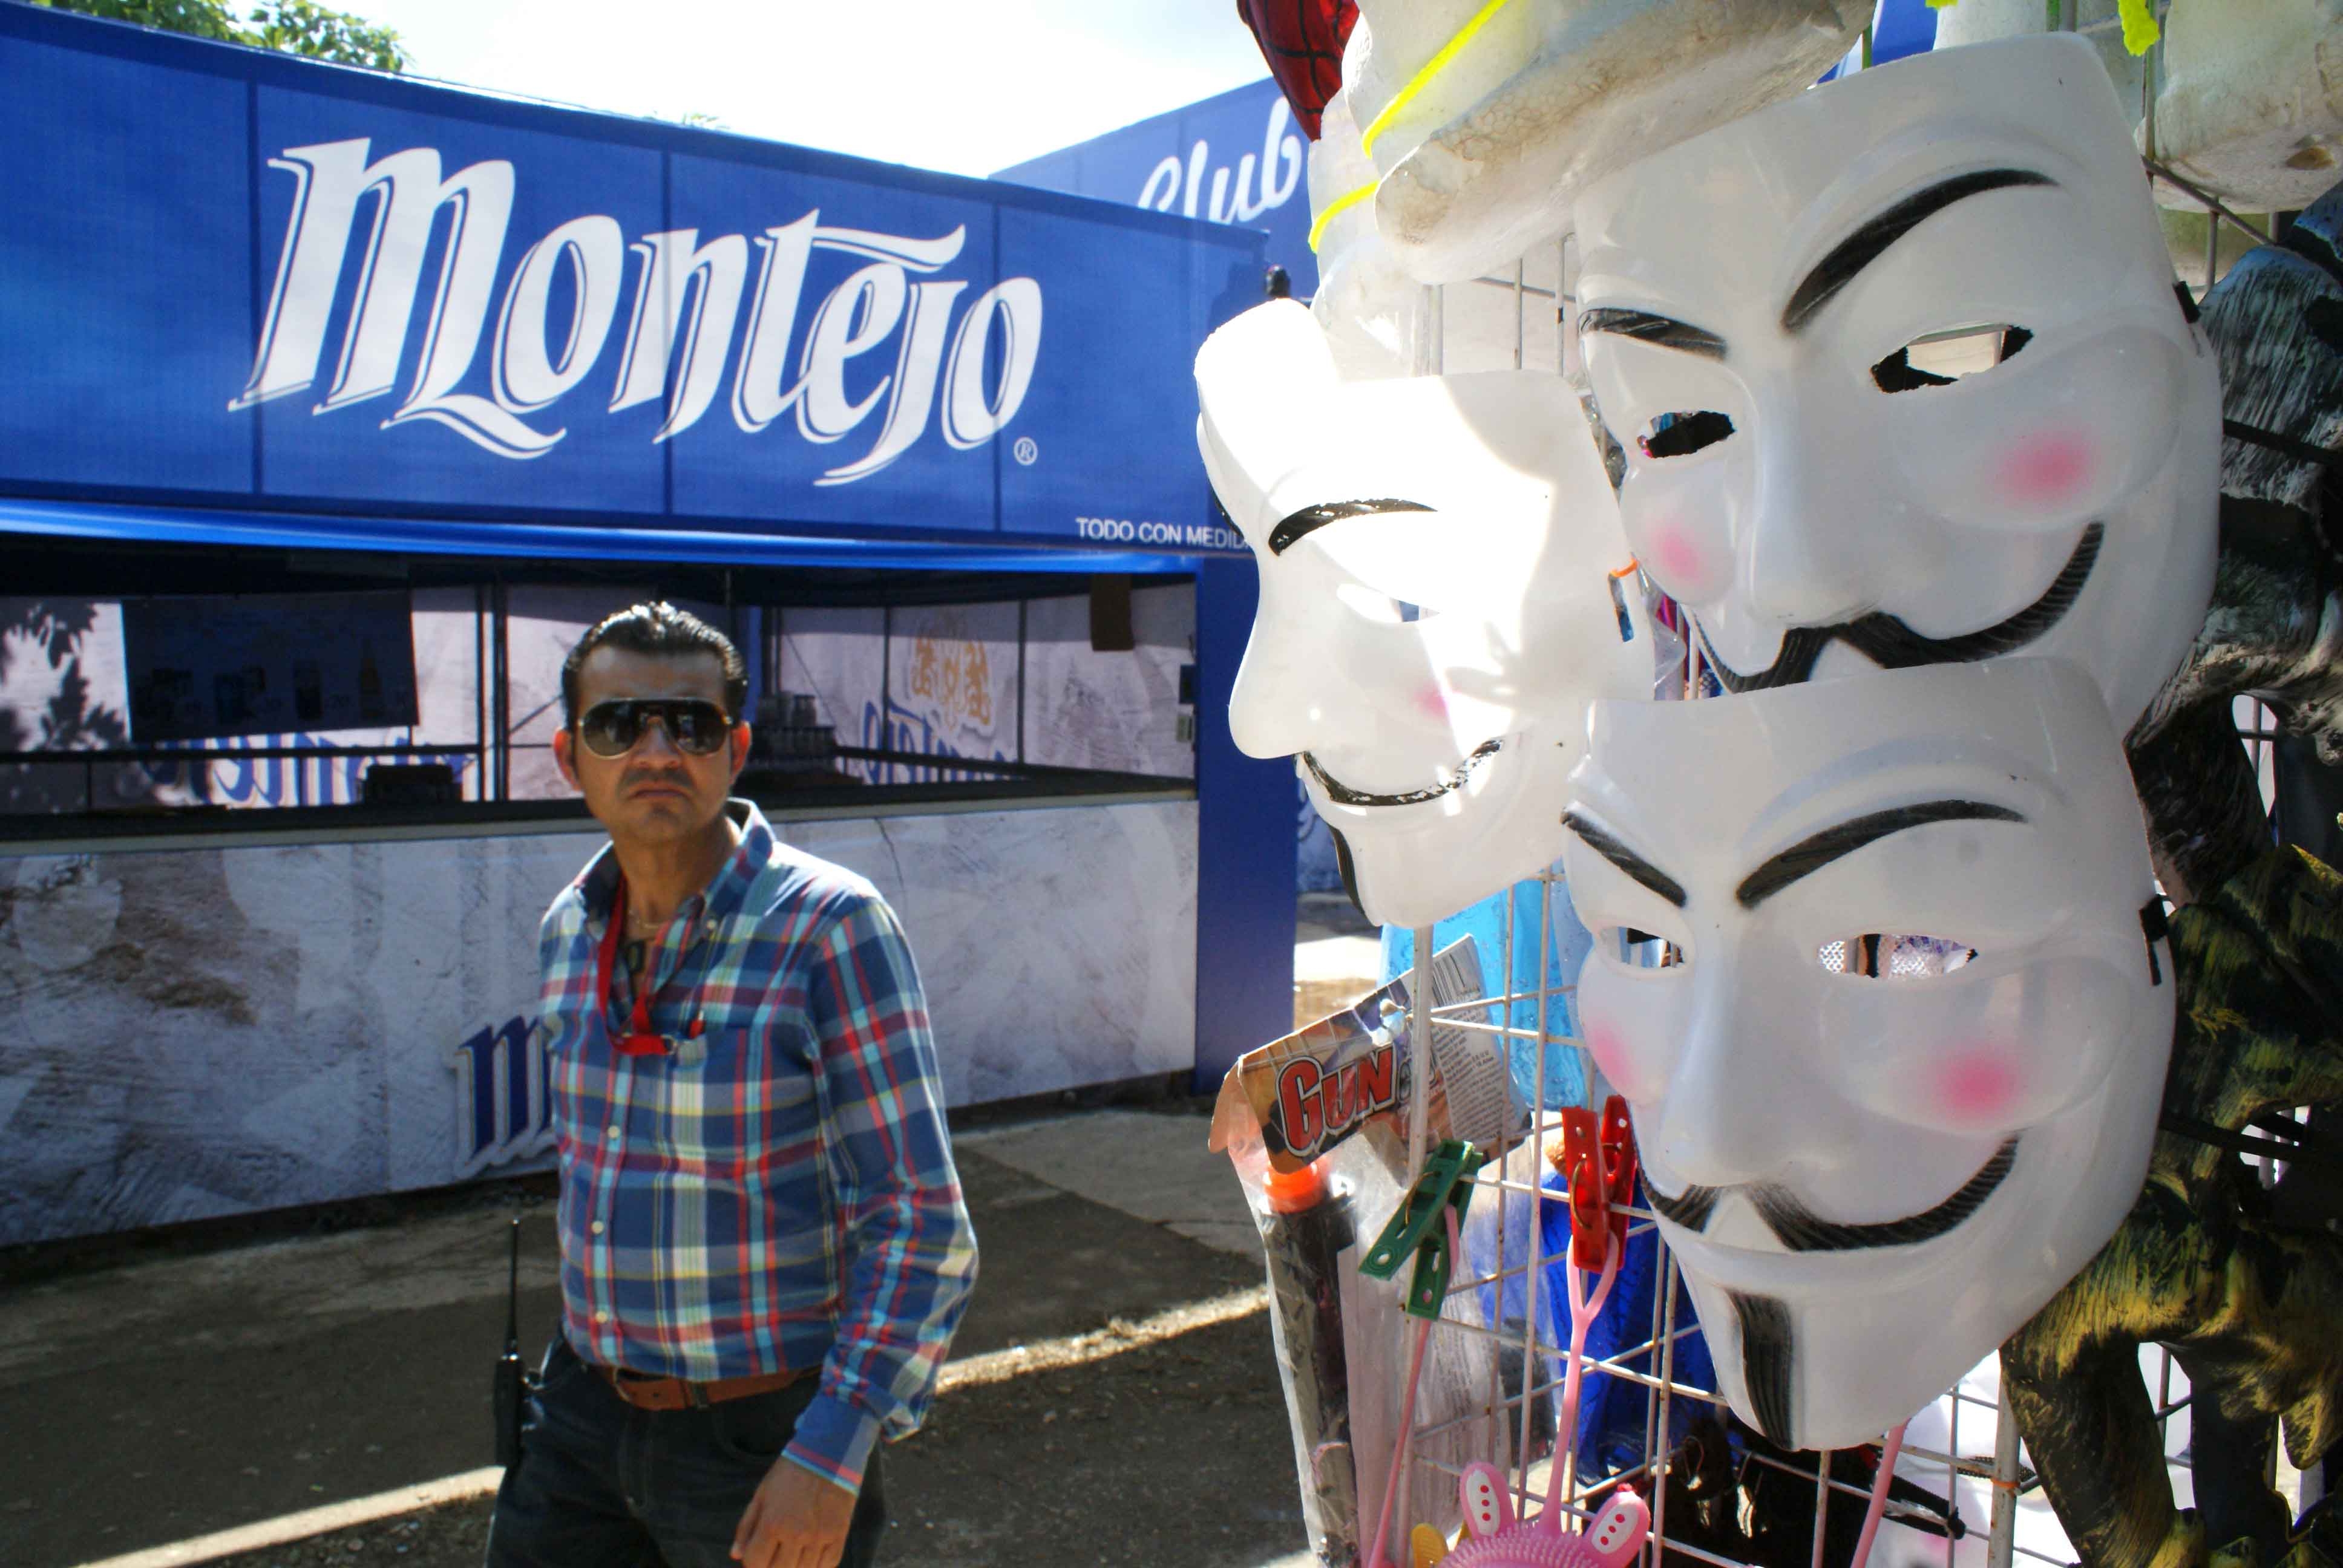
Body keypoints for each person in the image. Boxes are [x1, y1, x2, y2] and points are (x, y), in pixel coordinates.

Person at [485, 602, 977, 1568]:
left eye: (693, 725)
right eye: (619, 725)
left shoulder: (831, 926)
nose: (657, 750)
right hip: (581, 1417)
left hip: (760, 1436)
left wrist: (833, 1450)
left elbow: (918, 1218)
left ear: (737, 747)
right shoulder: (567, 928)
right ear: (568, 755)